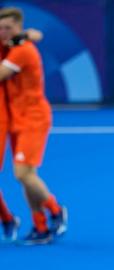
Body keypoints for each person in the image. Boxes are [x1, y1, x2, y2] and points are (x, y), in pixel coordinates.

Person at [0, 7, 67, 246]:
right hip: (16, 119)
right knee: (28, 176)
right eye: (1, 28)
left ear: (19, 26)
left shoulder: (21, 51)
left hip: (33, 118)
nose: (4, 32)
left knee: (22, 174)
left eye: (8, 28)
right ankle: (40, 226)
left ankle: (56, 210)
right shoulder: (14, 45)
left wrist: (26, 37)